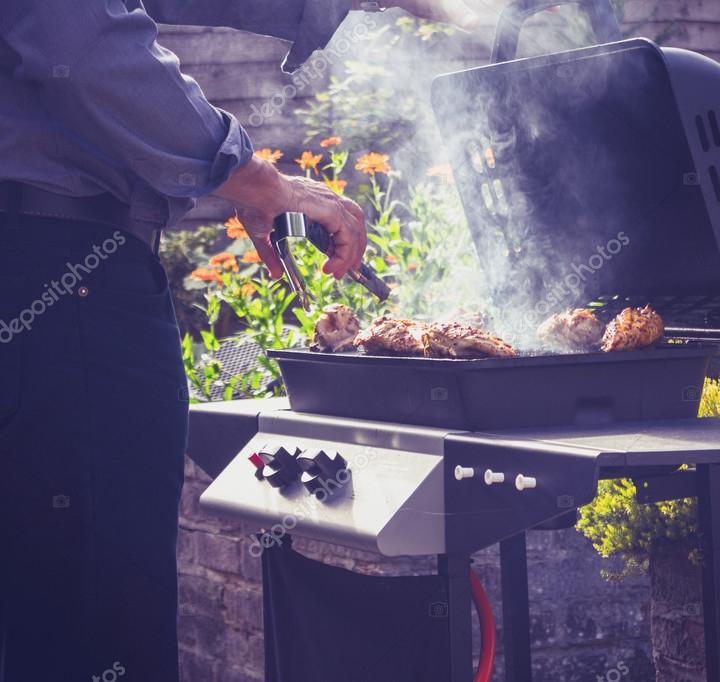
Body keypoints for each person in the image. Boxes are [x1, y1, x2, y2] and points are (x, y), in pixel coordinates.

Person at [0, 1, 488, 679]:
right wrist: (252, 176)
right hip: (59, 274)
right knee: (98, 619)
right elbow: (82, 41)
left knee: (33, 612)